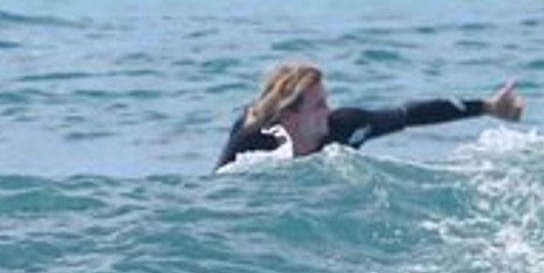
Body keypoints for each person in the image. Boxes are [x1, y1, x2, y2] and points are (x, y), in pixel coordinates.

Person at [213, 61, 523, 172]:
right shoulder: (252, 142)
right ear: (290, 117)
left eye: (326, 101)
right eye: (319, 105)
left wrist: (486, 107)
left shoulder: (345, 126)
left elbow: (407, 115)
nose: (329, 111)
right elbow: (220, 191)